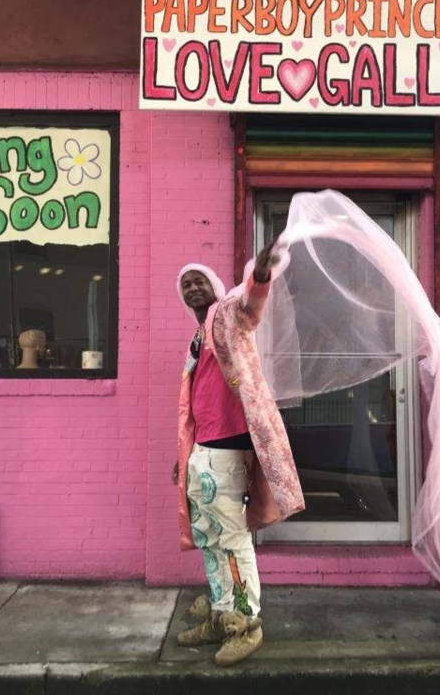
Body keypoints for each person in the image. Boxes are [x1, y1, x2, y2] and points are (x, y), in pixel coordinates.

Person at [172, 240, 304, 667]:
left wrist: (262, 272)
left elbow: (250, 302)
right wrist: (186, 454)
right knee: (210, 538)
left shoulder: (226, 314)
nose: (192, 287)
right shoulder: (198, 337)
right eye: (185, 284)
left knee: (230, 538)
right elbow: (195, 403)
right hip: (203, 451)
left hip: (227, 450)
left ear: (214, 287)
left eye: (199, 281)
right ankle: (221, 610)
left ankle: (246, 623)